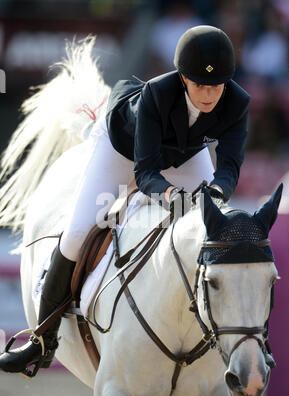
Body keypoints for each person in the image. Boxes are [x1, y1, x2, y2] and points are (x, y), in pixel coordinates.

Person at [0, 25, 250, 374]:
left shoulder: (237, 103)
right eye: (199, 86)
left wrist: (216, 194)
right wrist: (173, 197)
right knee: (76, 235)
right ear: (182, 79)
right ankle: (41, 340)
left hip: (184, 154)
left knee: (213, 223)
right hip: (121, 150)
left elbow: (231, 165)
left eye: (216, 86)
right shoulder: (155, 96)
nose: (209, 96)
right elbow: (146, 173)